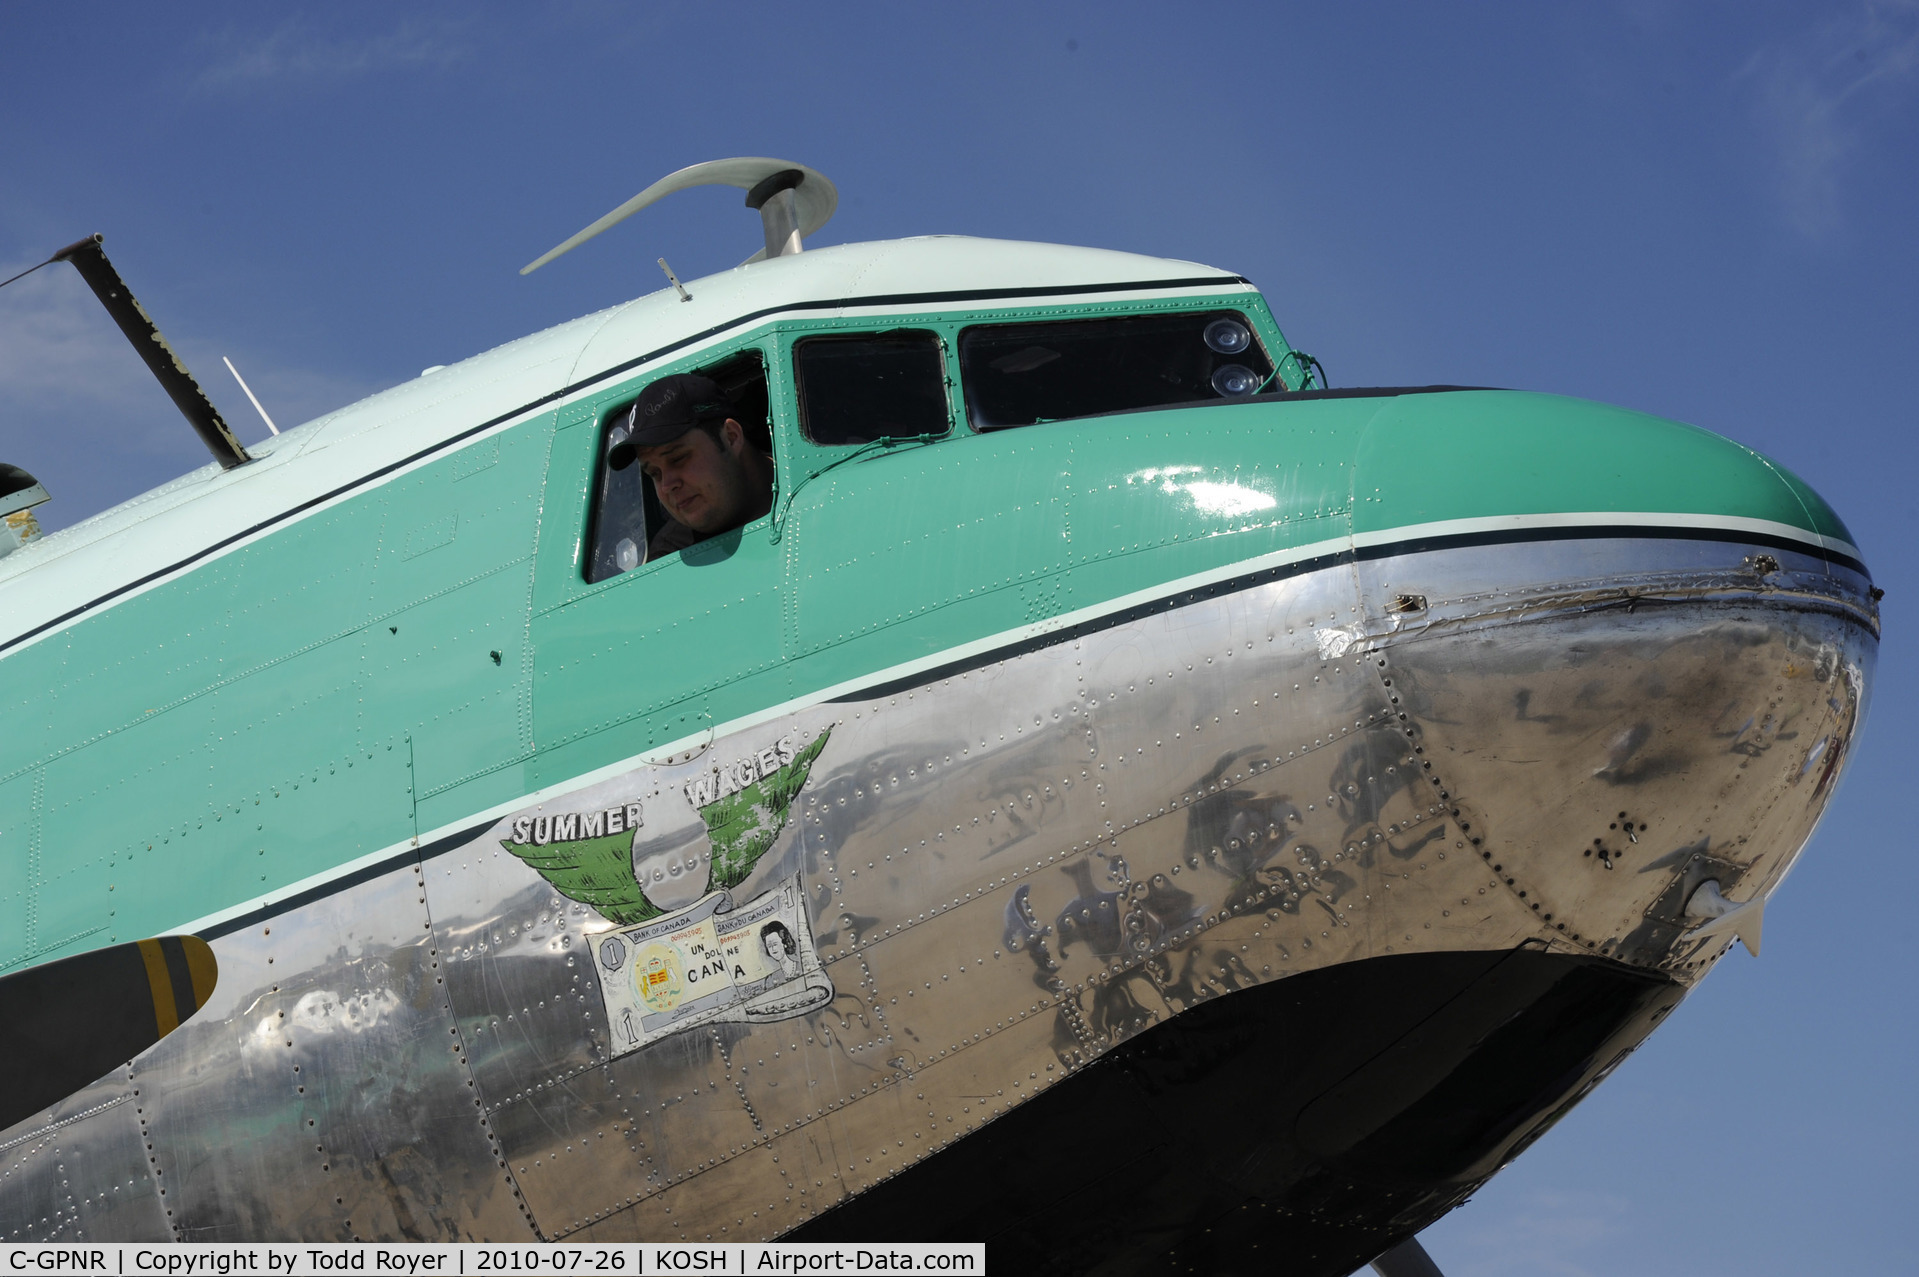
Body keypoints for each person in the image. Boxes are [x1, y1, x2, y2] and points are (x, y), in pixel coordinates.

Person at [625, 373, 775, 560]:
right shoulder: (670, 557)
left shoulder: (811, 480)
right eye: (654, 473)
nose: (667, 485)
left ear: (731, 437)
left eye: (678, 458)